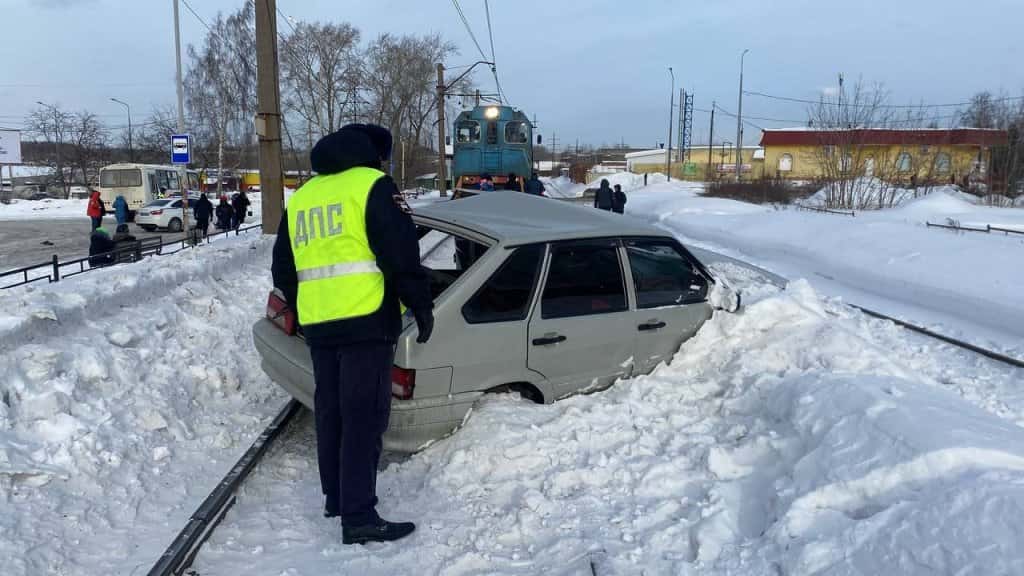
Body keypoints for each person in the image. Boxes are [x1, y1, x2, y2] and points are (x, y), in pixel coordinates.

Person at [271, 123, 433, 545]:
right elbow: (400, 252)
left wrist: (307, 307)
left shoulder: (304, 196)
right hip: (366, 320)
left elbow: (283, 270)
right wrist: (420, 302)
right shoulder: (373, 185)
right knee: (364, 417)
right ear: (373, 154)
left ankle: (337, 498)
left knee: (333, 412)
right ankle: (359, 516)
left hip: (320, 326)